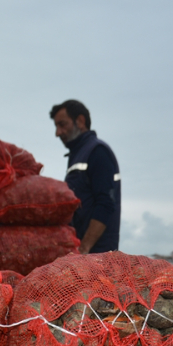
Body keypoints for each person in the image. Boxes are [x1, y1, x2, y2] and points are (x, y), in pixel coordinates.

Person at [50, 99, 121, 254]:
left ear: (80, 121)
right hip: (83, 257)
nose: (57, 133)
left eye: (62, 124)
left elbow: (106, 204)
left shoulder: (98, 152)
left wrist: (84, 248)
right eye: (56, 126)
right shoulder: (78, 155)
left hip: (98, 258)